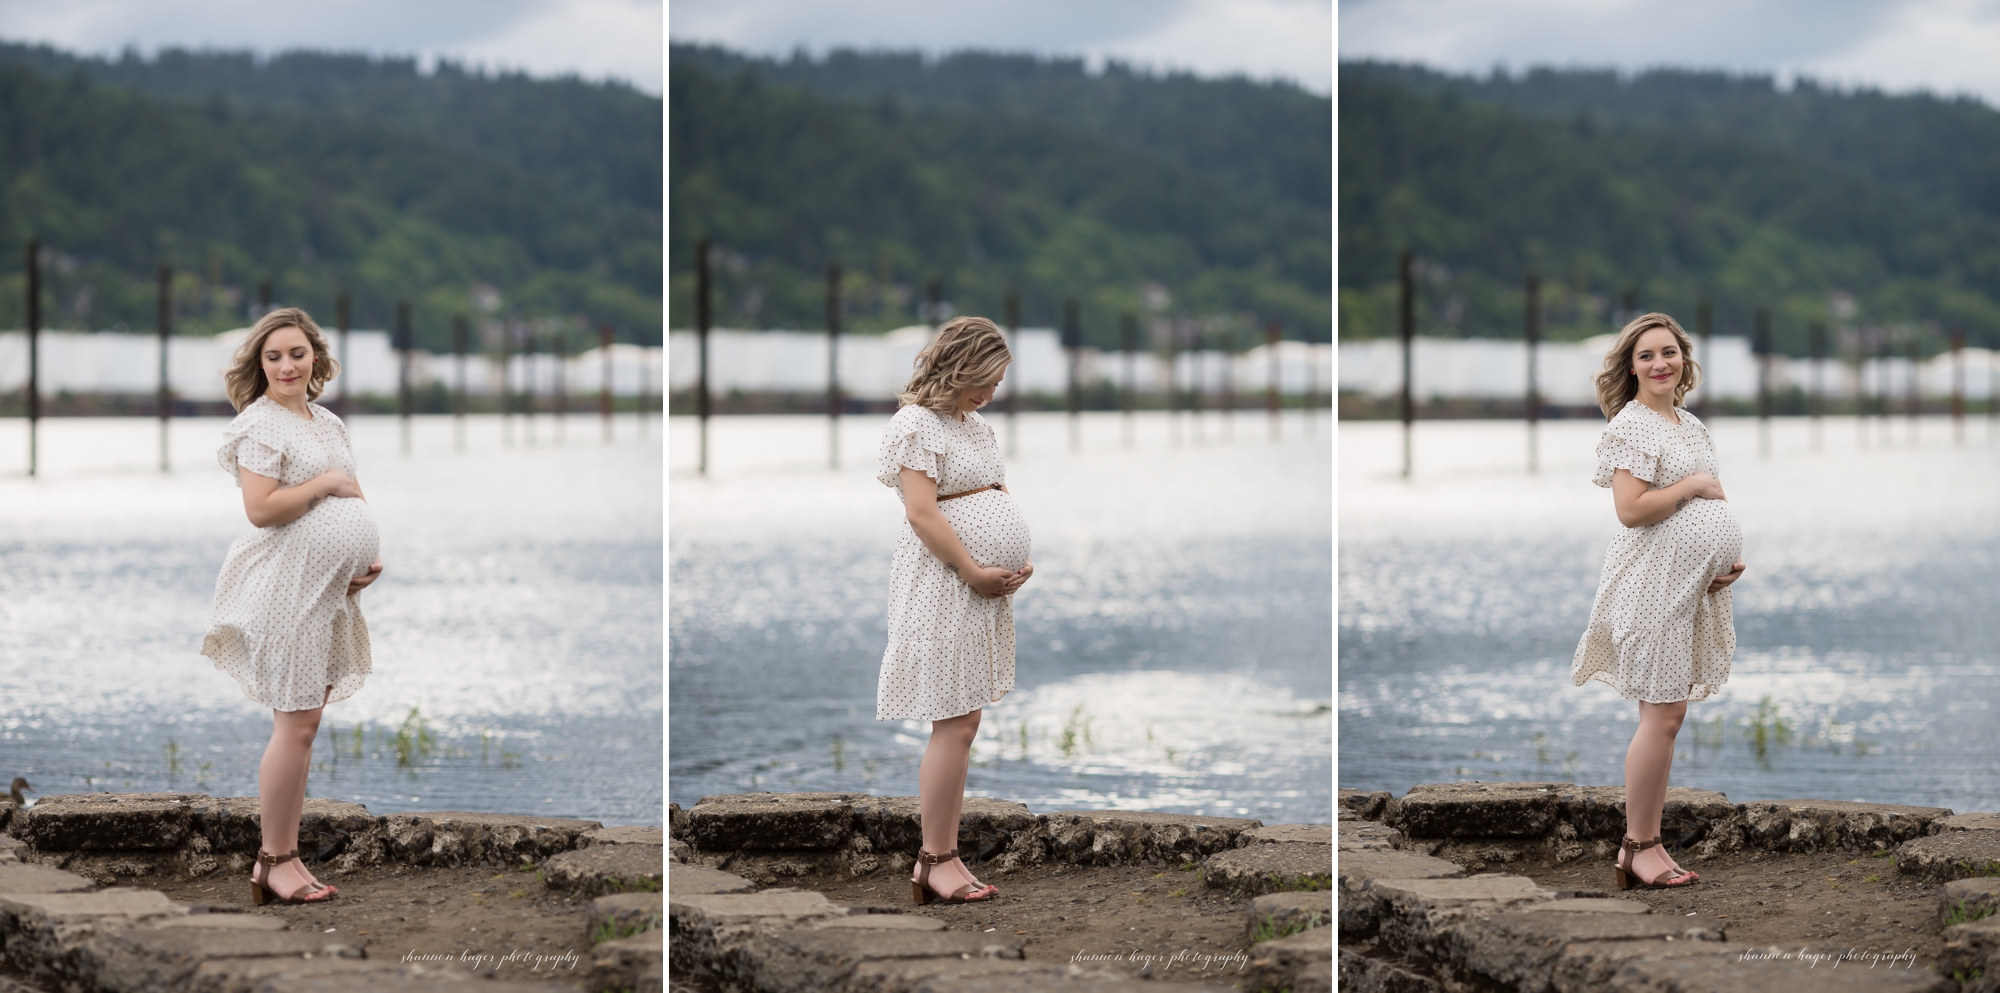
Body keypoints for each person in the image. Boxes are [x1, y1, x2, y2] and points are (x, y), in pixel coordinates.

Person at [201, 308, 382, 905]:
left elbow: (349, 497)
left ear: (316, 358)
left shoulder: (326, 421)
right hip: (284, 591)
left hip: (325, 591)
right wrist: (324, 486)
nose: (286, 365)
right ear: (259, 363)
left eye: (297, 353)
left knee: (306, 726)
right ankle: (273, 859)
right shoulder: (260, 424)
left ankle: (287, 857)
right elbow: (262, 507)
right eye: (273, 356)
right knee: (294, 723)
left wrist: (360, 566)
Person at [1572, 312, 1745, 891]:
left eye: (1668, 352)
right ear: (1631, 366)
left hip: (1684, 587)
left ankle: (1648, 843)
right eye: (1646, 356)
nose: (1660, 363)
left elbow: (1697, 518)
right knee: (1661, 715)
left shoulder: (1688, 424)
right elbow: (1631, 509)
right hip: (1649, 591)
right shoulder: (1633, 424)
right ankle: (1637, 846)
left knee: (1670, 718)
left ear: (1684, 359)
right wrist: (1694, 488)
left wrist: (1719, 564)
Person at [875, 316, 1033, 905]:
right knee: (955, 719)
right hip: (943, 583)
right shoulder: (915, 424)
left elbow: (995, 492)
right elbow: (921, 512)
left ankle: (945, 856)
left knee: (966, 722)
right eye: (984, 381)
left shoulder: (975, 428)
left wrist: (1018, 556)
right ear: (958, 368)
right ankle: (934, 859)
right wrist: (972, 567)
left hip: (982, 585)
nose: (991, 394)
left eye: (997, 383)